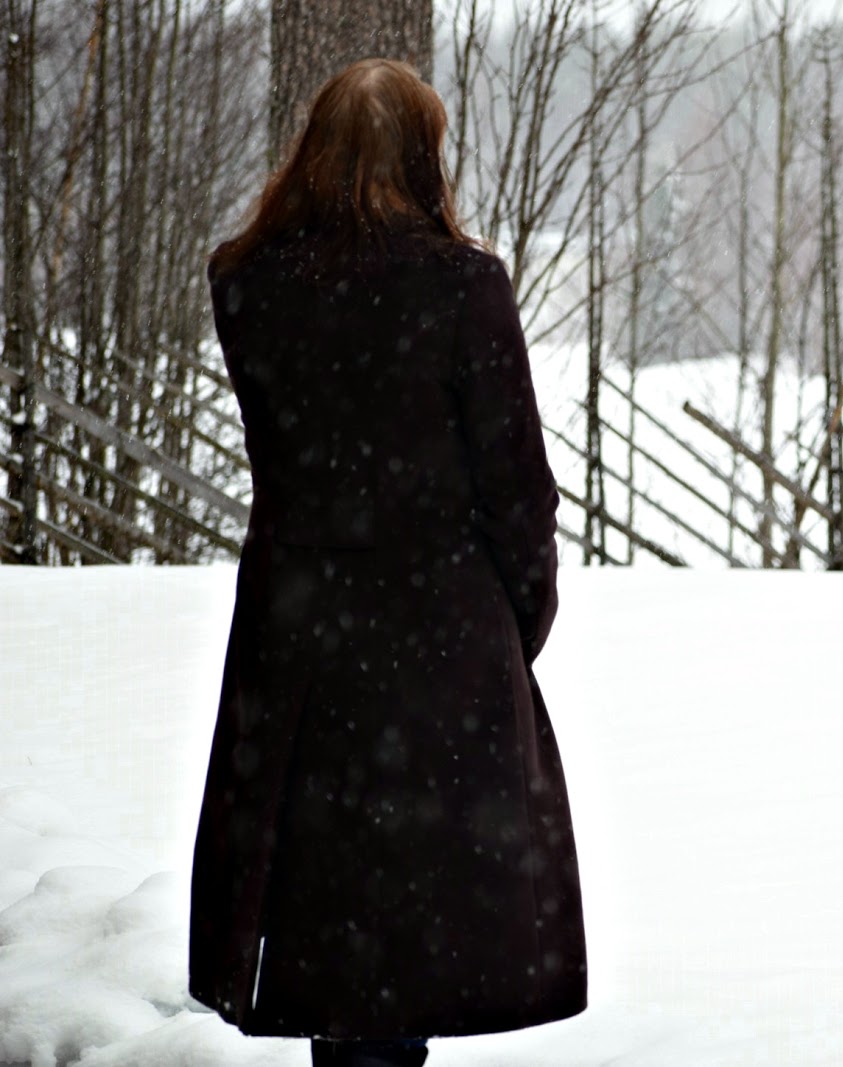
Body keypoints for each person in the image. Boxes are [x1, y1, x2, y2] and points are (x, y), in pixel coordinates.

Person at [187, 57, 587, 1067]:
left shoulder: (246, 282)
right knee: (409, 912)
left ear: (310, 150)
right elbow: (518, 485)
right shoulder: (461, 286)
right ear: (423, 157)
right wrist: (513, 625)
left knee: (325, 899)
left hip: (297, 632)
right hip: (436, 632)